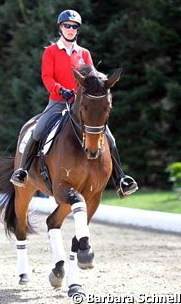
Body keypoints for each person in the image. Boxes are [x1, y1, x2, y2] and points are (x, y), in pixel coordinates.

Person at [10, 9, 138, 198]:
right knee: (38, 131)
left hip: (81, 105)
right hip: (58, 101)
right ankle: (22, 171)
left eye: (74, 27)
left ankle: (121, 179)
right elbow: (46, 77)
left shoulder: (83, 53)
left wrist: (101, 83)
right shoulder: (51, 52)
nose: (70, 29)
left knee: (109, 137)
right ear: (60, 28)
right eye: (67, 26)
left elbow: (92, 77)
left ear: (78, 30)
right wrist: (60, 90)